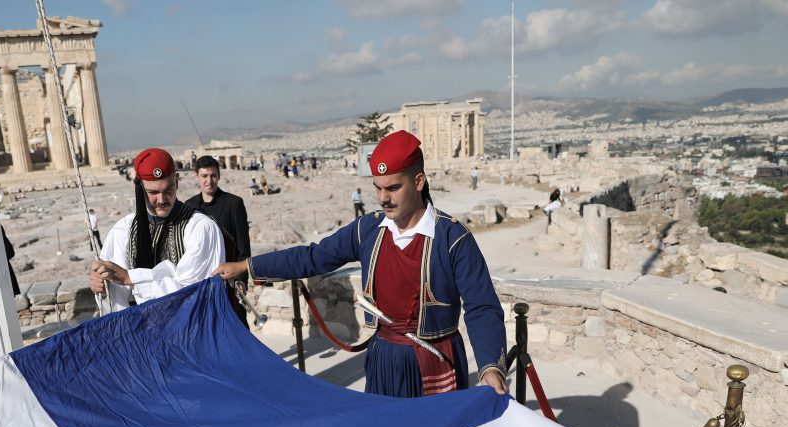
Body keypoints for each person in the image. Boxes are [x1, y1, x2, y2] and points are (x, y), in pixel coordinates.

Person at [216, 130, 507, 398]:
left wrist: (490, 367)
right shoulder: (367, 229)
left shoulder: (453, 237)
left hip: (435, 360)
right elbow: (313, 257)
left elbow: (481, 306)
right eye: (377, 188)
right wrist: (247, 266)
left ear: (419, 182)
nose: (383, 198)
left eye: (393, 188)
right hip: (383, 358)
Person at [88, 147, 224, 312]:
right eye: (152, 192)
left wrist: (131, 278)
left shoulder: (201, 228)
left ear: (177, 181)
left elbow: (194, 290)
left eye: (168, 190)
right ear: (139, 187)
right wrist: (104, 288)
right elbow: (117, 299)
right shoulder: (123, 230)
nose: (161, 199)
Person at [185, 155, 252, 327]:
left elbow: (243, 247)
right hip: (202, 284)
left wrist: (241, 280)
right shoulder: (188, 207)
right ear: (196, 176)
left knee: (237, 329)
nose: (209, 181)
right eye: (204, 176)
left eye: (213, 175)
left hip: (230, 281)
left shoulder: (234, 204)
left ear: (219, 176)